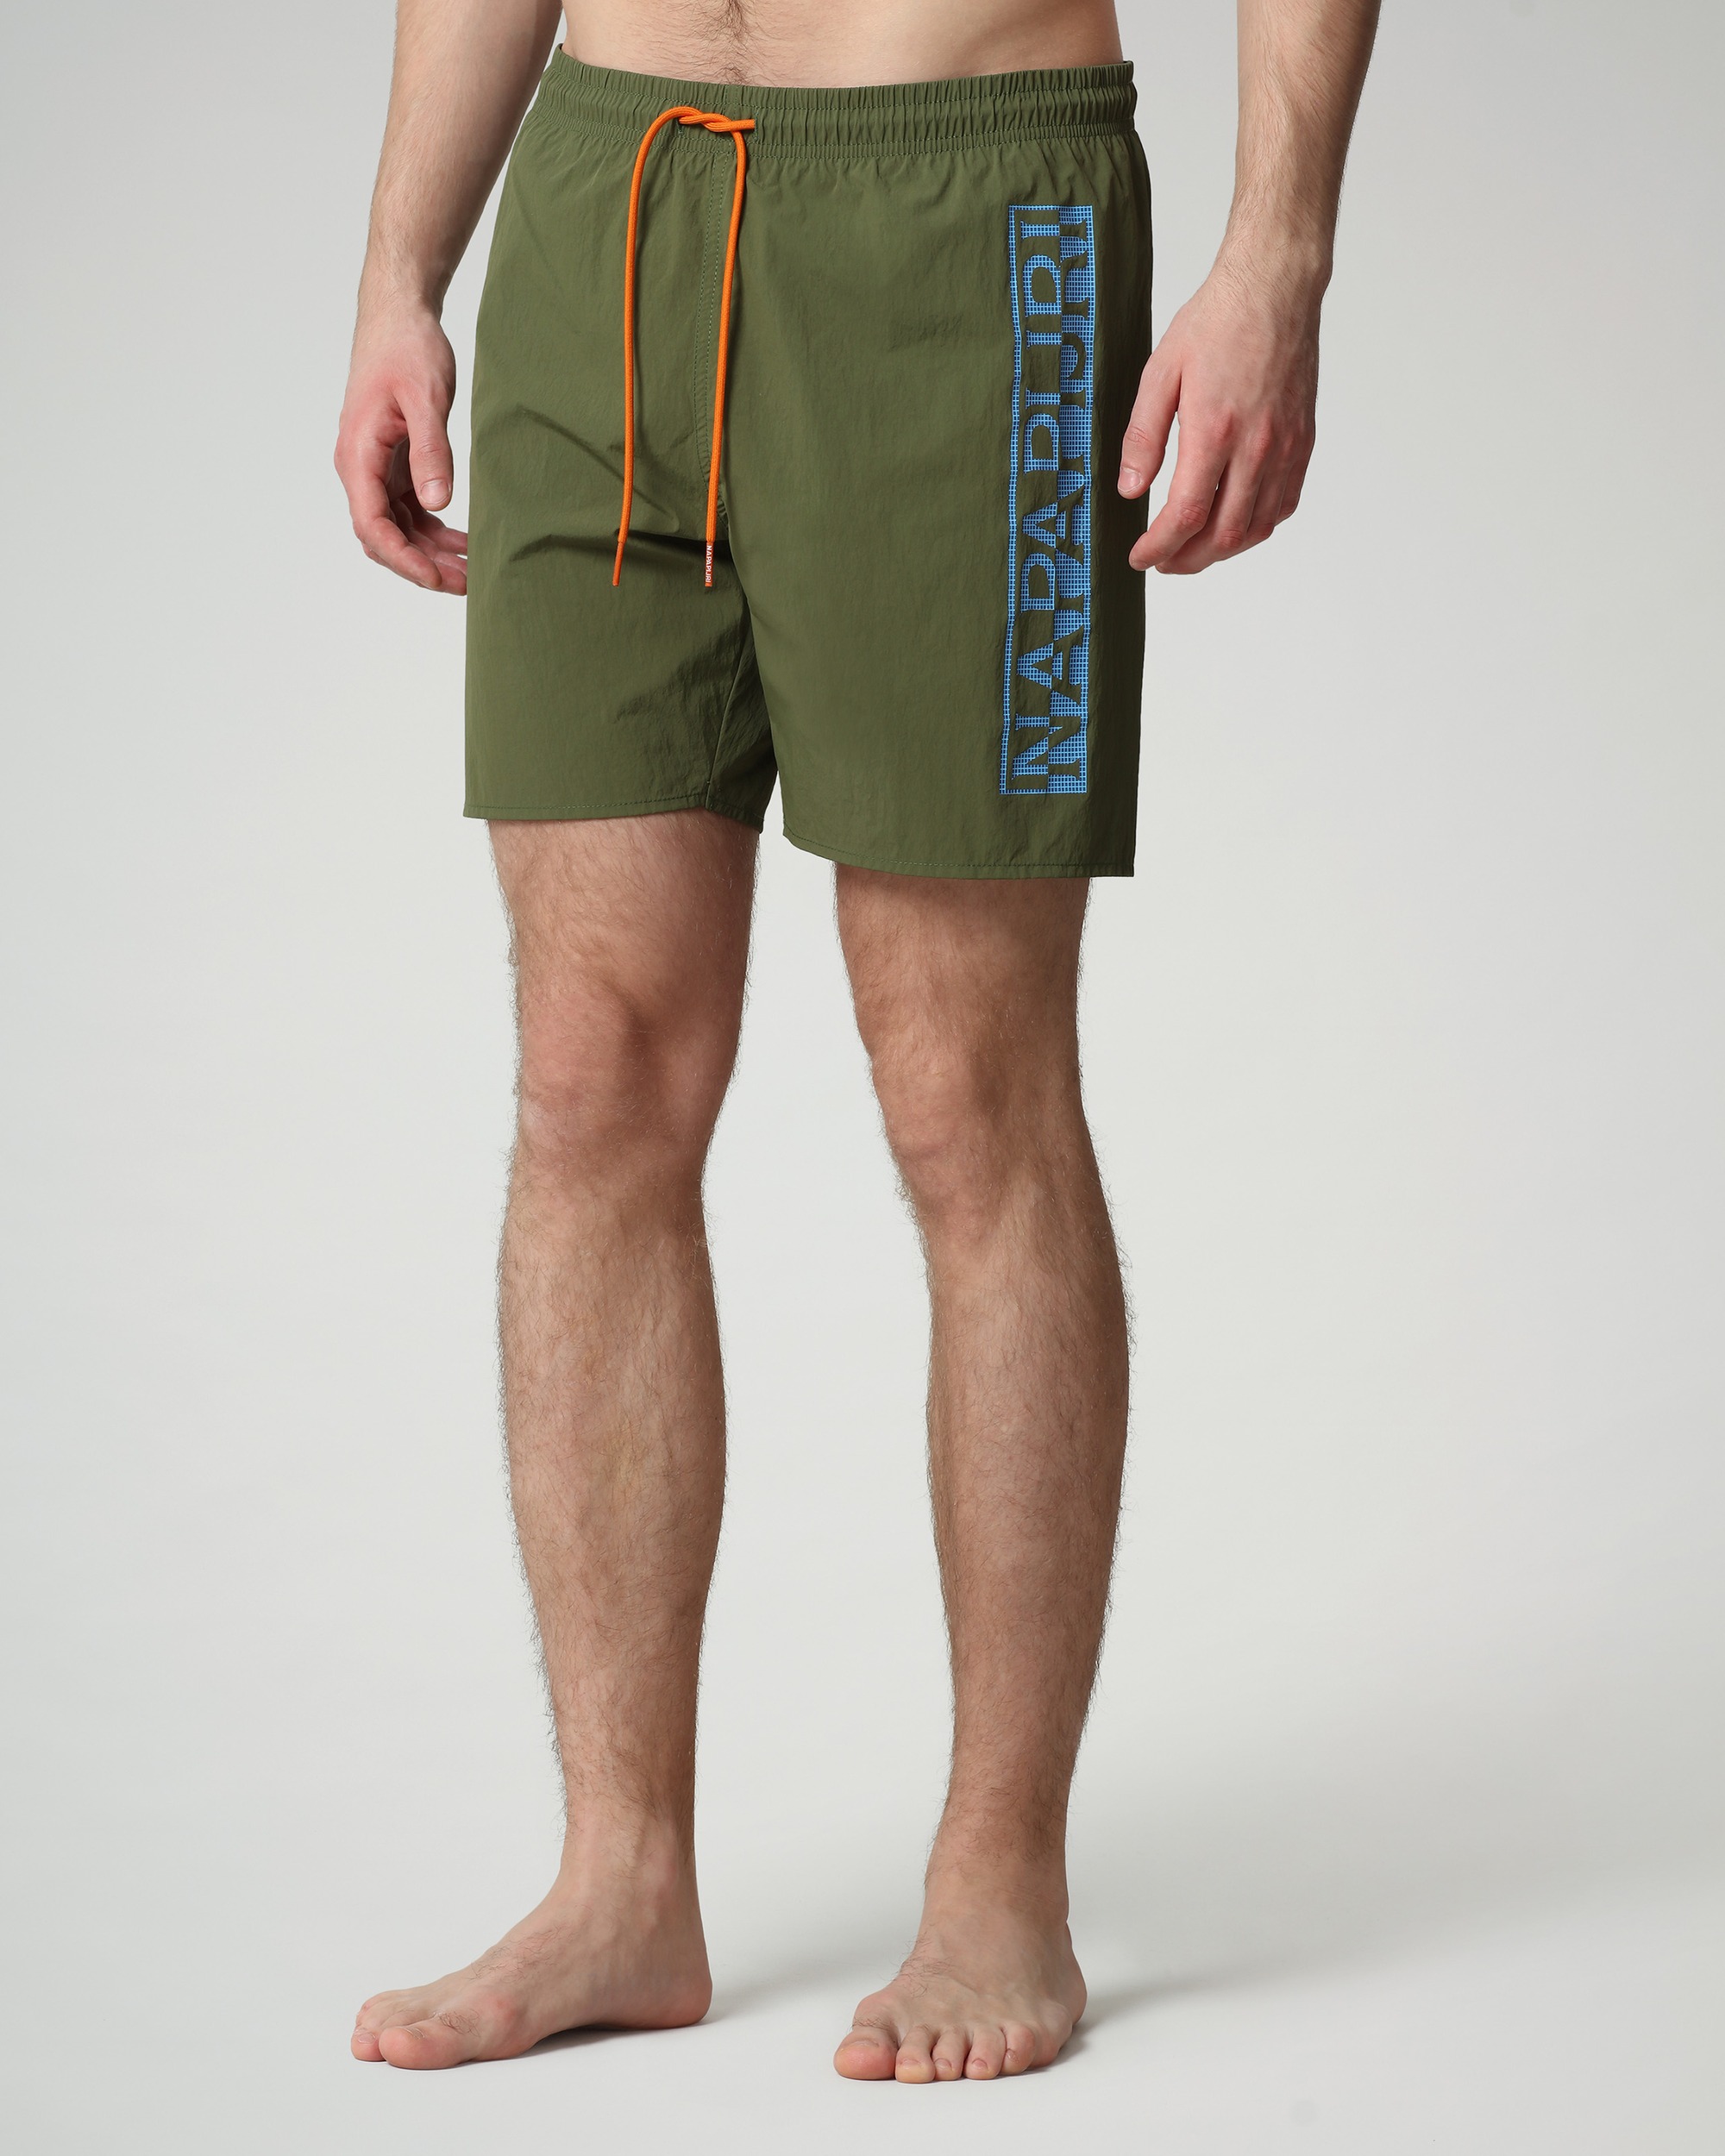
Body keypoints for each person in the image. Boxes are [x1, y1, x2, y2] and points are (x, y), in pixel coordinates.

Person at [335, 0, 1377, 2083]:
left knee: (964, 1100)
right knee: (588, 1079)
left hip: (965, 207)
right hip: (608, 199)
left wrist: (1277, 253)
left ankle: (1001, 1873)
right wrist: (397, 266)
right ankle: (621, 1875)